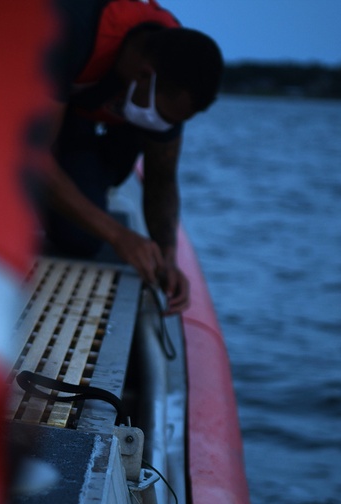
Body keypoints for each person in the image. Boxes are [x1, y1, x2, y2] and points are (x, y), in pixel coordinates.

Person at [44, 0, 223, 314]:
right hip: (44, 99)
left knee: (80, 239)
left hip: (96, 106)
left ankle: (77, 190)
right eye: (162, 116)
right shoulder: (69, 31)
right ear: (143, 74)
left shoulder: (175, 66)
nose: (163, 127)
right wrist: (118, 235)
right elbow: (31, 155)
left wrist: (168, 256)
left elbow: (161, 177)